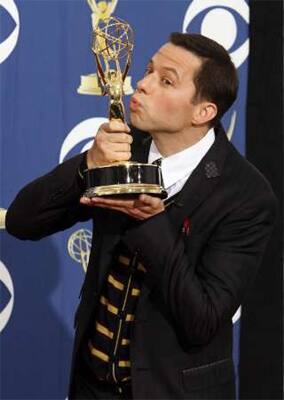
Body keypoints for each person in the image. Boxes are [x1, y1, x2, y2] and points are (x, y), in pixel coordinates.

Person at [6, 33, 277, 399]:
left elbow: (202, 321)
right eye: (148, 71)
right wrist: (88, 165)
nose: (143, 85)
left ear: (204, 112)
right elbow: (23, 221)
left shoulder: (246, 195)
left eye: (166, 80)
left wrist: (151, 222)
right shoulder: (120, 150)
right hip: (90, 387)